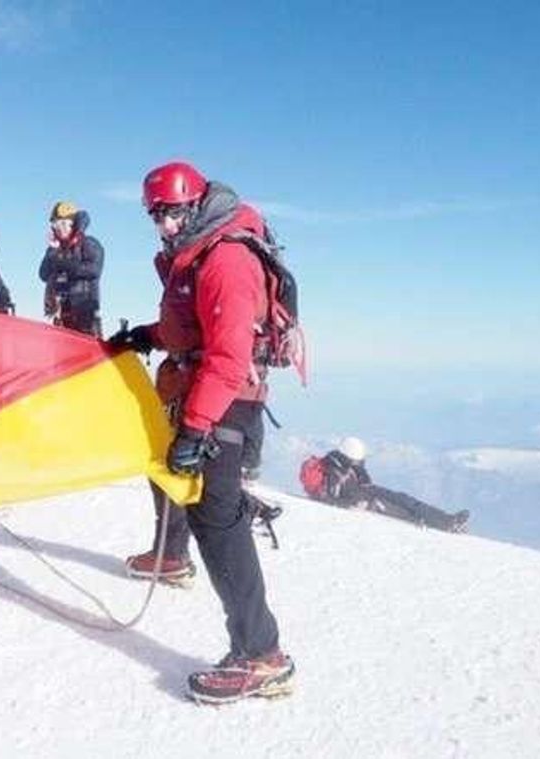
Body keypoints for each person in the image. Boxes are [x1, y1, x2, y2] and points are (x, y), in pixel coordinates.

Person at [108, 161, 294, 704]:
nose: (162, 225)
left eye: (169, 213)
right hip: (201, 389)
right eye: (155, 215)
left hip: (224, 399)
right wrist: (146, 335)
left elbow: (229, 356)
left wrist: (197, 425)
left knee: (219, 518)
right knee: (165, 464)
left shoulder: (226, 259)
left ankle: (261, 655)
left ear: (193, 206)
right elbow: (190, 325)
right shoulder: (194, 253)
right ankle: (171, 554)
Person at [301, 437, 471, 533]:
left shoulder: (339, 465)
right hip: (368, 501)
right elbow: (329, 500)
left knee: (404, 499)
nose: (359, 463)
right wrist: (356, 505)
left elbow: (359, 482)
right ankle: (444, 524)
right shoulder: (334, 472)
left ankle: (446, 520)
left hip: (367, 493)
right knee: (404, 511)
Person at [39, 201, 104, 336]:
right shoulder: (56, 249)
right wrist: (52, 250)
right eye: (56, 224)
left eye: (64, 223)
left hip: (86, 319)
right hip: (62, 316)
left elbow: (94, 270)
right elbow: (43, 274)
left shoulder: (89, 244)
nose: (60, 228)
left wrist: (66, 265)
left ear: (73, 223)